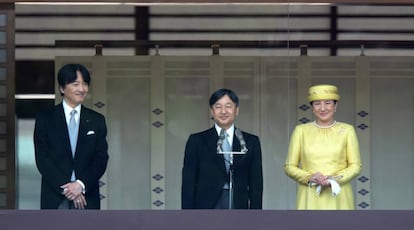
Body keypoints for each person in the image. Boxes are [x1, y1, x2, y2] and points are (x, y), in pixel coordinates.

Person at [34, 64, 109, 209]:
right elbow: (42, 158)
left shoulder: (96, 120)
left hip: (87, 197)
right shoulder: (45, 119)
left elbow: (101, 158)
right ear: (62, 88)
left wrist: (80, 185)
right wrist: (69, 189)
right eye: (76, 84)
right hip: (55, 197)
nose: (82, 89)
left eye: (85, 84)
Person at [181, 88, 263, 209]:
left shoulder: (250, 141)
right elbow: (189, 181)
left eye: (228, 106)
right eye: (218, 106)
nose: (223, 111)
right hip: (206, 206)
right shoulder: (197, 141)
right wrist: (187, 216)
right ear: (212, 112)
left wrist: (256, 214)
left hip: (238, 204)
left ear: (237, 110)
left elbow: (256, 182)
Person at [284, 84, 362, 210]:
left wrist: (334, 178)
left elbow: (356, 165)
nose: (322, 108)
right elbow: (289, 166)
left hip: (339, 195)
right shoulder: (301, 131)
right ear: (312, 108)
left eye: (327, 103)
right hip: (309, 195)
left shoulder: (347, 130)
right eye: (317, 104)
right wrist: (310, 177)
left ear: (335, 106)